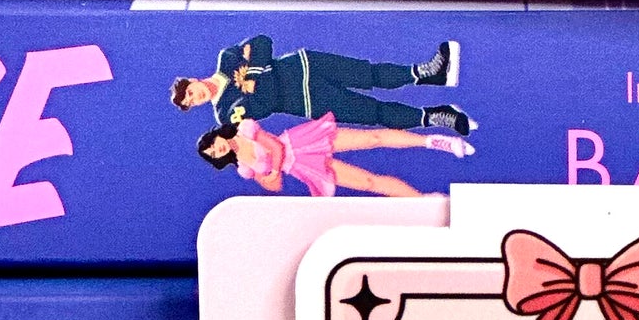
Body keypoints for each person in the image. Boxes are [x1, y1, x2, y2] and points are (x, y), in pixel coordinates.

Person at [170, 35, 474, 135]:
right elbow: (265, 104)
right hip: (307, 100)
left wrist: (255, 78)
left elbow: (263, 42)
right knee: (375, 113)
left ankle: (428, 73)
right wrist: (259, 71)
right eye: (192, 102)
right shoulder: (225, 112)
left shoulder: (226, 58)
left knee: (370, 74)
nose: (197, 97)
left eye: (192, 92)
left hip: (306, 64)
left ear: (193, 81)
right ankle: (435, 116)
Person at [196, 118, 475, 198]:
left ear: (216, 136)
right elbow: (275, 184)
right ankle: (421, 201)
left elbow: (275, 148)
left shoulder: (245, 129)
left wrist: (271, 170)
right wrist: (270, 174)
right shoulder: (244, 168)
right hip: (302, 166)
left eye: (213, 145)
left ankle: (434, 141)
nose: (217, 149)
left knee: (372, 139)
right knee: (369, 182)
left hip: (302, 141)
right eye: (214, 154)